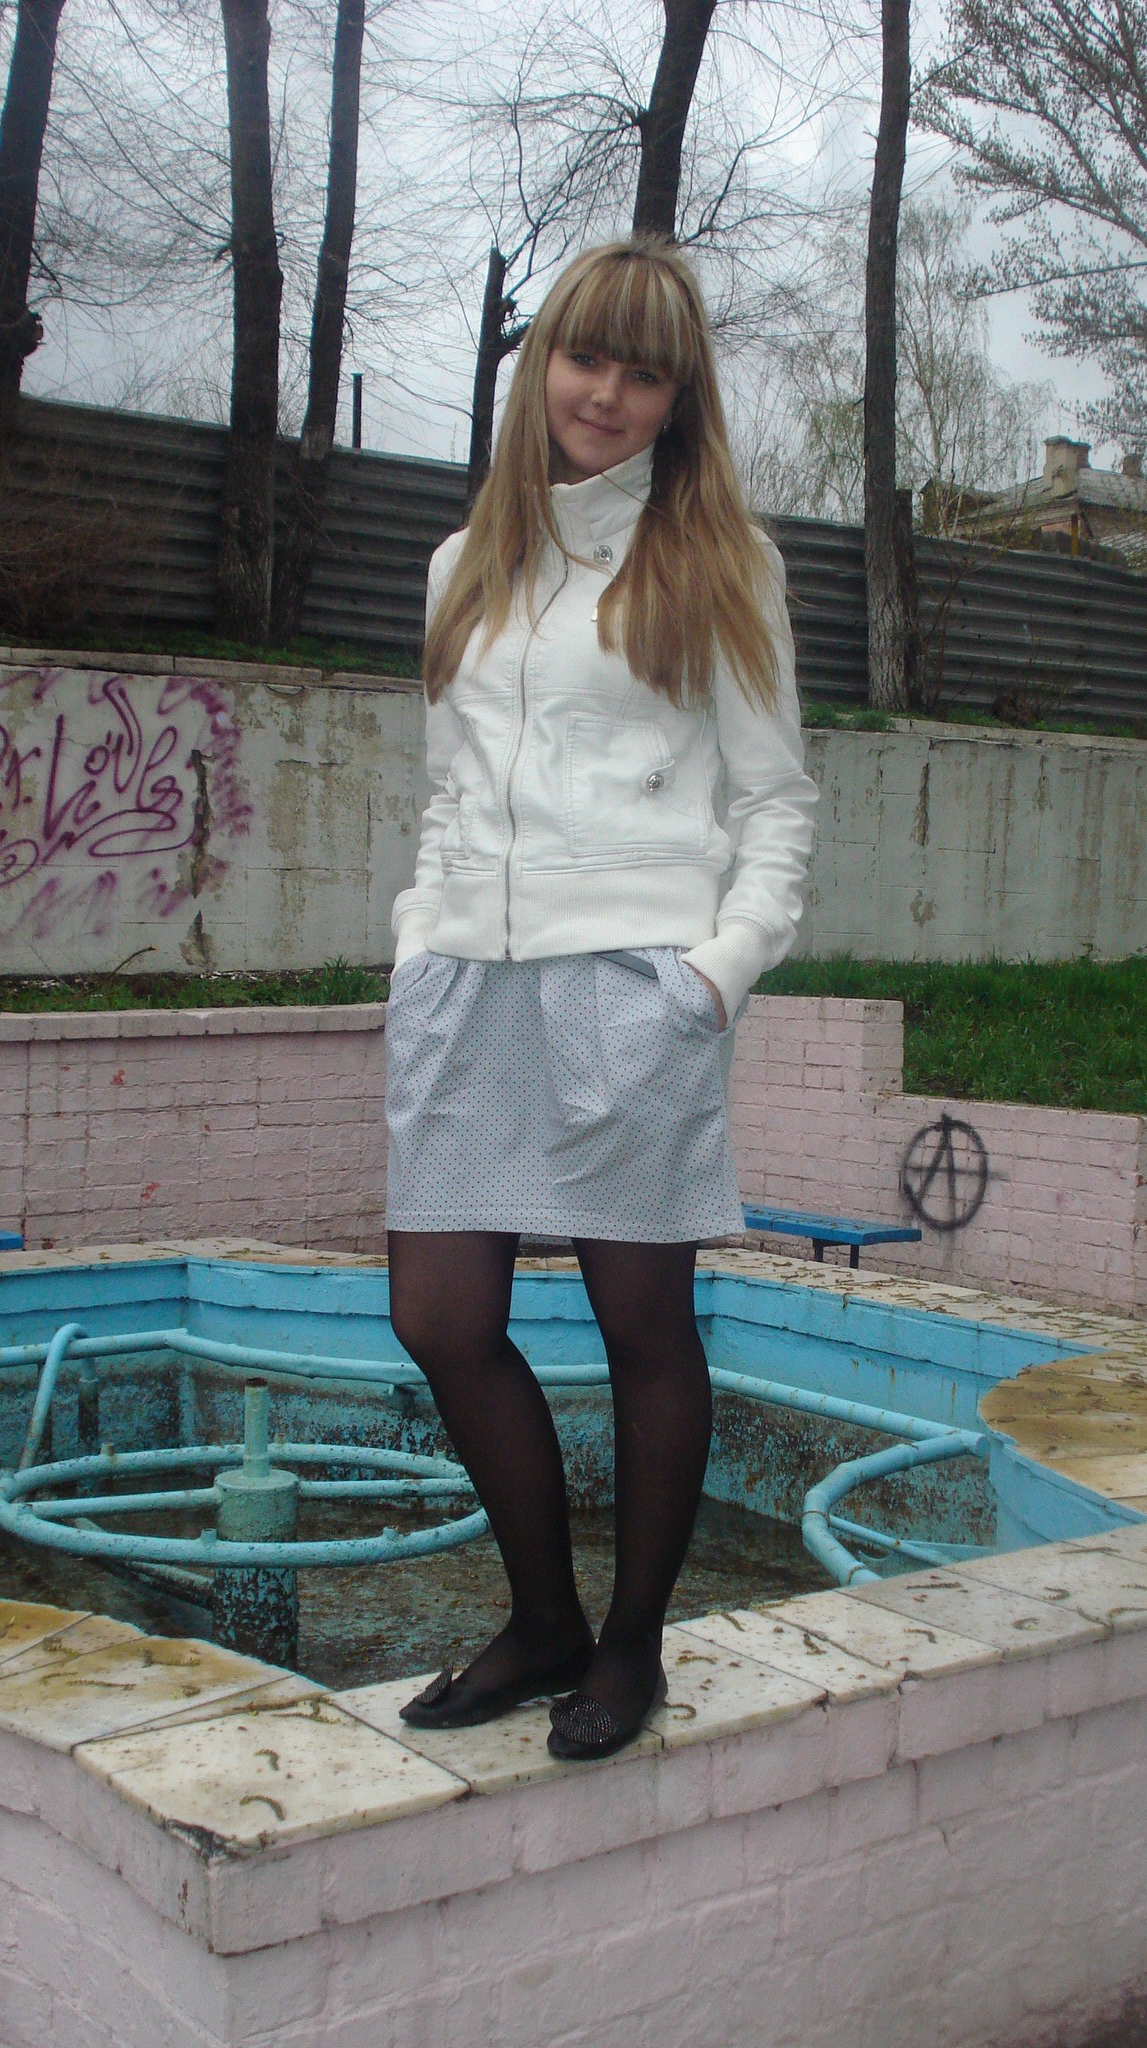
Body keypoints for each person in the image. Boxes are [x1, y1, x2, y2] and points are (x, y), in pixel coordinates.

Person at [383, 237, 817, 1761]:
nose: (607, 394)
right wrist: (418, 943)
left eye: (644, 373)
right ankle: (542, 1619)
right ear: (541, 364)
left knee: (643, 1323)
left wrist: (713, 976)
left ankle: (630, 1647)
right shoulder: (463, 564)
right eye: (585, 358)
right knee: (440, 1318)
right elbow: (447, 789)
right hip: (468, 982)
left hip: (636, 981)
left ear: (678, 397)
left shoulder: (718, 561)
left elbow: (775, 802)